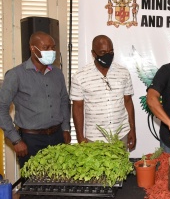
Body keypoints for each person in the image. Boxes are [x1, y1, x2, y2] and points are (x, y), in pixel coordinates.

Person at [0, 31, 71, 168]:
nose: (51, 51)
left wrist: (65, 129)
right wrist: (15, 140)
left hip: (57, 137)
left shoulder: (57, 74)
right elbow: (1, 107)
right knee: (33, 184)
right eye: (46, 48)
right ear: (33, 48)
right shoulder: (16, 75)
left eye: (53, 47)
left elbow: (63, 101)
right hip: (30, 141)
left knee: (58, 182)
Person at [70, 35, 136, 150]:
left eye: (111, 51)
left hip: (121, 135)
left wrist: (132, 130)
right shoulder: (80, 76)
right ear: (93, 53)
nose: (108, 55)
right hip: (94, 139)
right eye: (103, 52)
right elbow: (77, 108)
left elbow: (128, 102)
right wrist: (80, 137)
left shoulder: (123, 73)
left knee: (122, 167)